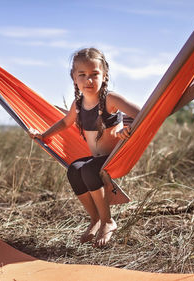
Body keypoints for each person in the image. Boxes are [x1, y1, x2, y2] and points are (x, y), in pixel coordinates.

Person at [29, 48, 140, 247]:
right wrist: (44, 135)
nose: (88, 80)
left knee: (89, 169)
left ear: (104, 75)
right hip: (97, 159)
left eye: (94, 74)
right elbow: (65, 123)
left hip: (114, 157)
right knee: (74, 169)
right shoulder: (78, 104)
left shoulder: (110, 99)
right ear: (74, 77)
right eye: (82, 75)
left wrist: (128, 129)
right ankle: (95, 219)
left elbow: (142, 114)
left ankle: (108, 221)